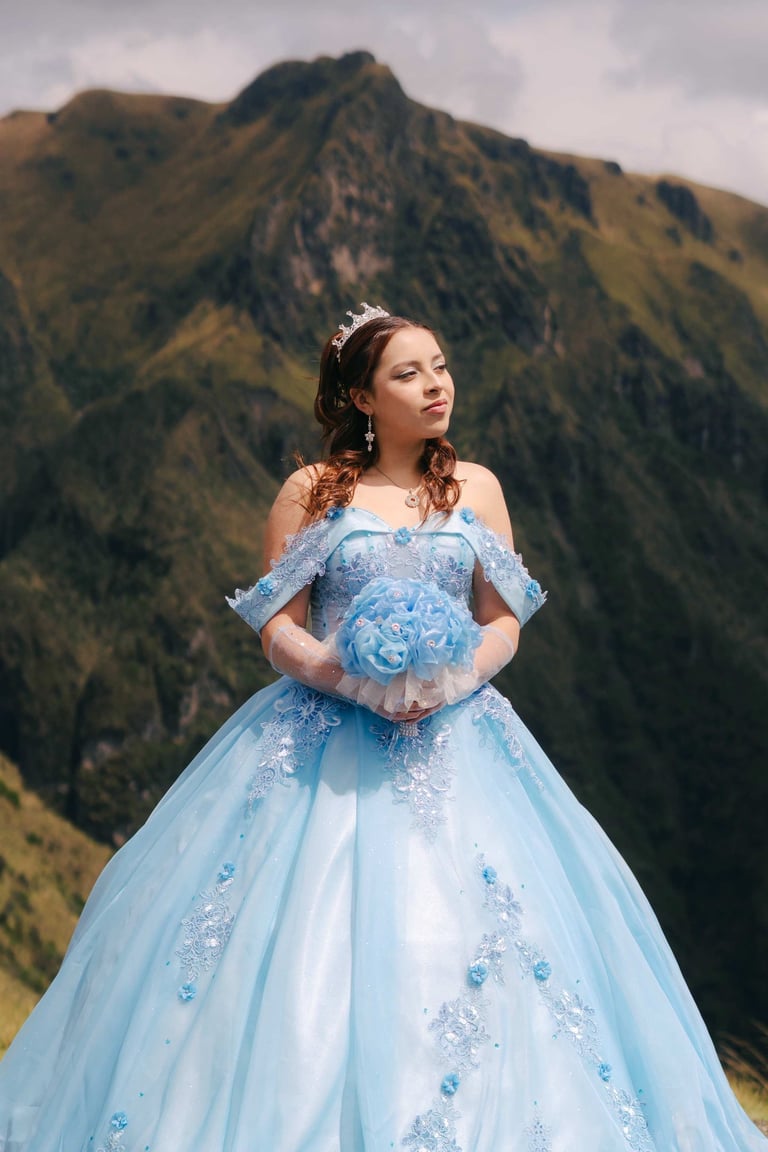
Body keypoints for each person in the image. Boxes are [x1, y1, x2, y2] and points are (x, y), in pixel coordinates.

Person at [0, 304, 765, 1152]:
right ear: (362, 397)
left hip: (461, 739)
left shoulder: (476, 487)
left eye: (440, 366)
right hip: (324, 740)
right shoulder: (312, 491)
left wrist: (454, 677)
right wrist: (348, 680)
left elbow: (503, 619)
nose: (436, 385)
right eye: (409, 373)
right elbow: (276, 624)